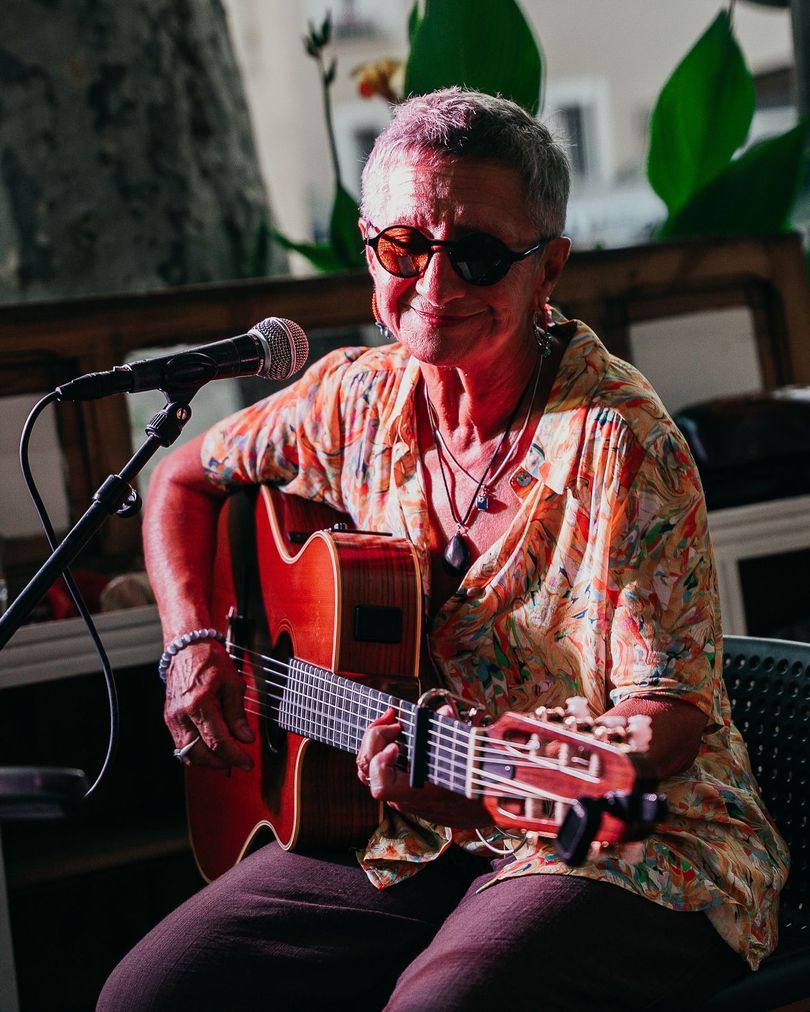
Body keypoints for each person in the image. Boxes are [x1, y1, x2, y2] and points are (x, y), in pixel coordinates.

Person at [98, 88, 788, 1011]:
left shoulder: (618, 443)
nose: (435, 284)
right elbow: (183, 479)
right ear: (367, 245)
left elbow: (663, 719)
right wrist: (191, 649)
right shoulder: (353, 397)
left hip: (622, 841)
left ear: (549, 269)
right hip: (405, 830)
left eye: (478, 255)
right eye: (403, 246)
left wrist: (483, 785)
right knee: (149, 995)